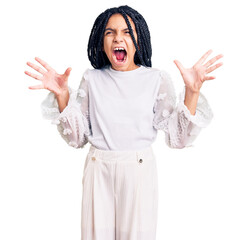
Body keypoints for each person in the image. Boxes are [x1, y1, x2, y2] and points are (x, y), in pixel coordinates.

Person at [24, 5, 223, 240]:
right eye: (110, 32)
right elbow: (76, 139)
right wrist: (62, 95)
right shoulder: (92, 79)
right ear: (101, 41)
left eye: (127, 31)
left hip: (139, 170)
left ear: (139, 38)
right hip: (99, 167)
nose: (118, 37)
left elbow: (178, 139)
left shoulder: (155, 79)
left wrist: (192, 92)